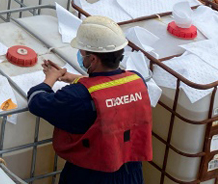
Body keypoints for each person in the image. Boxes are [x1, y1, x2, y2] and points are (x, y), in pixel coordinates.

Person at [26, 15, 152, 184]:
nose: (80, 55)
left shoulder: (75, 97)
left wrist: (51, 77)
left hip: (90, 175)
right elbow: (108, 87)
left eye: (82, 52)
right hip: (131, 173)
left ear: (92, 59)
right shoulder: (137, 81)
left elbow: (36, 101)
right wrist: (72, 77)